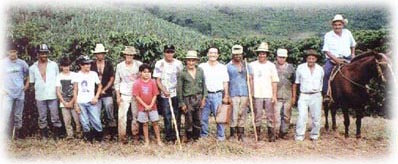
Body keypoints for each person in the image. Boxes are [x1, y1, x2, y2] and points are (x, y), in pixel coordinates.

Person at [29, 44, 62, 140]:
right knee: (42, 116)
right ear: (38, 54)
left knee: (55, 115)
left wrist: (58, 92)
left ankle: (57, 135)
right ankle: (44, 135)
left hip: (52, 94)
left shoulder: (54, 65)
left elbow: (58, 80)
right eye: (42, 53)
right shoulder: (32, 68)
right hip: (40, 95)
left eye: (45, 53)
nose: (44, 55)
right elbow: (31, 83)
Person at [249, 42, 279, 142]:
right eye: (260, 53)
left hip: (268, 94)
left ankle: (271, 135)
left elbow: (274, 81)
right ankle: (258, 135)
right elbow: (250, 80)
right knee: (257, 116)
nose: (262, 55)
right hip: (257, 95)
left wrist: (274, 95)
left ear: (267, 55)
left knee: (270, 116)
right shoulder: (252, 65)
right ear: (257, 54)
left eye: (264, 53)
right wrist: (251, 93)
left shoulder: (271, 66)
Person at [153, 44, 183, 142]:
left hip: (175, 93)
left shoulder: (178, 64)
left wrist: (178, 91)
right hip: (164, 94)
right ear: (164, 53)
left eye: (171, 52)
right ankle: (169, 136)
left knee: (177, 114)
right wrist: (164, 90)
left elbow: (181, 79)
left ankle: (177, 134)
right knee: (167, 115)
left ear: (174, 53)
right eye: (167, 52)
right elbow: (157, 80)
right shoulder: (159, 63)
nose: (169, 54)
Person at [322, 14, 356, 101]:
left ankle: (362, 91)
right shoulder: (328, 35)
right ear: (333, 26)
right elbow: (326, 50)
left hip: (348, 58)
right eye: (335, 25)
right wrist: (335, 60)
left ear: (343, 25)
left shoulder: (347, 32)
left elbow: (353, 44)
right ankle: (326, 94)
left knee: (359, 71)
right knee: (326, 73)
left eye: (339, 24)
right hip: (333, 60)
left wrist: (353, 54)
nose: (337, 26)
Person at [199, 46, 229, 141]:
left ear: (218, 55)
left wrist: (226, 95)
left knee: (219, 117)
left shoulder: (222, 67)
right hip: (205, 95)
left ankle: (221, 136)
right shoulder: (202, 67)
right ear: (207, 54)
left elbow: (225, 82)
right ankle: (204, 135)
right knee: (203, 117)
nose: (212, 54)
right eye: (211, 52)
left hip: (218, 95)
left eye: (215, 53)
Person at [293, 49, 324, 141]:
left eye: (313, 58)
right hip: (304, 95)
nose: (311, 60)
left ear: (316, 59)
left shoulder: (320, 69)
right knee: (302, 116)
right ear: (306, 59)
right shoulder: (300, 68)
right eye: (309, 58)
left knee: (316, 117)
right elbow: (297, 83)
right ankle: (299, 136)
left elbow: (321, 82)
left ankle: (314, 135)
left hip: (316, 95)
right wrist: (296, 96)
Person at [114, 46, 143, 144]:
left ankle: (135, 136)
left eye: (131, 55)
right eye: (127, 54)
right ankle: (122, 137)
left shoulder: (139, 65)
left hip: (136, 94)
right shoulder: (119, 66)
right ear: (124, 55)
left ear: (133, 55)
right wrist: (118, 96)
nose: (129, 56)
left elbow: (142, 79)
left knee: (135, 115)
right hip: (124, 94)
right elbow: (117, 82)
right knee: (121, 116)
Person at [177, 50, 207, 142]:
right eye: (189, 60)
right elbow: (179, 89)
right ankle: (189, 137)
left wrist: (203, 98)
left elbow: (204, 85)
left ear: (196, 61)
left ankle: (196, 138)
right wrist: (182, 103)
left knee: (197, 118)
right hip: (188, 99)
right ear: (186, 61)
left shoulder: (200, 71)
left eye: (193, 60)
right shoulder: (182, 73)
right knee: (189, 119)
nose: (191, 62)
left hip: (198, 97)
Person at [1, 44, 29, 140]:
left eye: (14, 51)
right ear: (7, 52)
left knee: (18, 115)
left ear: (17, 52)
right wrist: (2, 89)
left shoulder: (22, 63)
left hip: (20, 93)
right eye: (10, 52)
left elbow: (28, 75)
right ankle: (4, 136)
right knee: (5, 113)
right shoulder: (3, 63)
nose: (12, 53)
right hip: (8, 94)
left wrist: (26, 86)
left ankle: (17, 135)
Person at [73, 55, 103, 143]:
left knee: (96, 120)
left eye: (89, 64)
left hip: (91, 101)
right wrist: (76, 104)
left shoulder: (93, 74)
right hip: (81, 101)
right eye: (86, 64)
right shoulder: (77, 75)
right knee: (84, 121)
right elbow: (75, 90)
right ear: (81, 65)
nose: (88, 66)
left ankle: (99, 137)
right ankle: (88, 138)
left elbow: (100, 86)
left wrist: (96, 97)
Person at [90, 43, 117, 140]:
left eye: (101, 53)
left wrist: (104, 89)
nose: (100, 55)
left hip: (107, 92)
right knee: (95, 113)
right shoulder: (92, 64)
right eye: (98, 53)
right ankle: (97, 133)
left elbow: (111, 78)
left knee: (109, 110)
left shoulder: (108, 64)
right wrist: (98, 91)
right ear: (95, 55)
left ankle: (112, 134)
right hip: (95, 93)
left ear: (104, 54)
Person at [133, 64, 163, 146]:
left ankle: (159, 140)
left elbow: (155, 95)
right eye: (144, 72)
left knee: (155, 123)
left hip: (153, 107)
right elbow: (137, 96)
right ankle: (147, 141)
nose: (147, 74)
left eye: (149, 72)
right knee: (145, 124)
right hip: (142, 108)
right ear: (140, 73)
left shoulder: (153, 82)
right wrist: (145, 106)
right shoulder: (137, 83)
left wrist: (150, 105)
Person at [226, 45, 251, 142]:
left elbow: (250, 79)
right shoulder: (228, 66)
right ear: (232, 54)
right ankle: (232, 134)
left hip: (244, 93)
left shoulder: (246, 66)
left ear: (242, 54)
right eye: (235, 54)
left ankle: (241, 134)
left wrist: (250, 94)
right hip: (233, 93)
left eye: (239, 54)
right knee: (234, 114)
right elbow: (226, 82)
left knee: (242, 114)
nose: (237, 56)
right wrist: (227, 95)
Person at [56, 57, 82, 140]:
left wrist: (72, 102)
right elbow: (58, 91)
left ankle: (79, 134)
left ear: (70, 66)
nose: (66, 68)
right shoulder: (58, 76)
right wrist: (64, 102)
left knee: (77, 119)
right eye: (64, 66)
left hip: (74, 101)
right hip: (63, 102)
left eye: (67, 66)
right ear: (61, 67)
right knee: (67, 120)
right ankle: (70, 135)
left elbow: (76, 89)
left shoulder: (74, 75)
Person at [274, 48, 296, 139]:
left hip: (288, 95)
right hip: (276, 95)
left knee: (286, 116)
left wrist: (294, 96)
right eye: (280, 57)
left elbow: (294, 83)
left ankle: (284, 132)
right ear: (277, 57)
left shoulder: (291, 67)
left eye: (283, 57)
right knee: (276, 116)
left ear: (286, 58)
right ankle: (275, 133)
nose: (281, 59)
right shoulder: (273, 67)